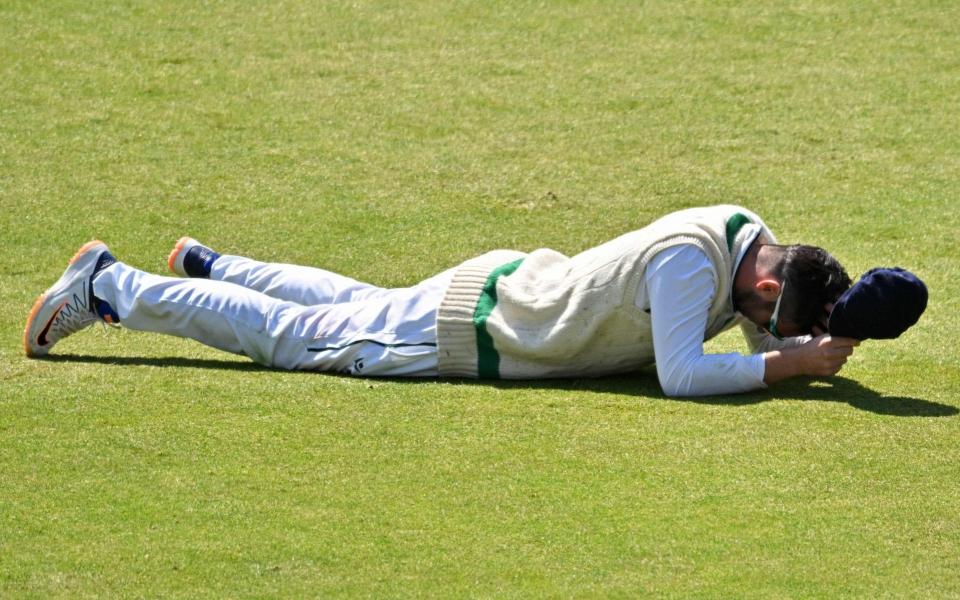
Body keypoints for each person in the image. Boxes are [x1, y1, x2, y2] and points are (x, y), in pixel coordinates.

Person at [25, 204, 862, 397]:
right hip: (470, 331)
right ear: (765, 284)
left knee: (353, 301)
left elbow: (759, 333)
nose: (763, 333)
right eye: (775, 319)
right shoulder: (690, 267)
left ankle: (211, 264)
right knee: (292, 339)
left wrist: (813, 344)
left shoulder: (751, 236)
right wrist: (792, 368)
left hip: (502, 287)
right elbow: (681, 375)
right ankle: (109, 287)